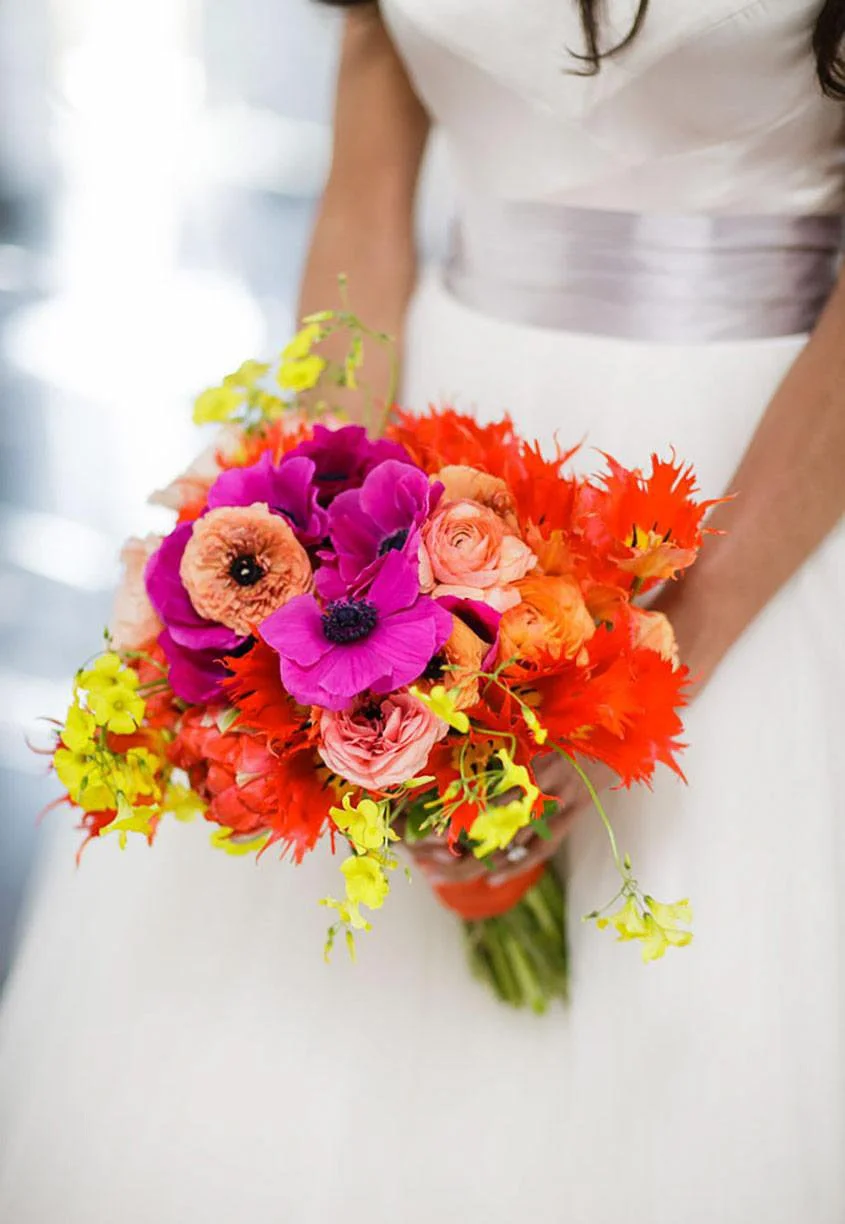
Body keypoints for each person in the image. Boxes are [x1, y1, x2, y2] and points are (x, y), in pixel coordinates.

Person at [1, 3, 844, 1221]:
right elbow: (362, 215)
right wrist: (312, 568)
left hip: (759, 472)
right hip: (443, 441)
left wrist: (653, 655)